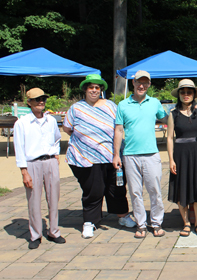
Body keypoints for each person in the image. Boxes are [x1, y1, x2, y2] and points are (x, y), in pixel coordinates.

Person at [63, 74, 136, 239]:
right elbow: (67, 128)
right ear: (85, 89)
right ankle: (90, 222)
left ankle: (122, 216)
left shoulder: (111, 106)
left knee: (117, 187)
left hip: (111, 155)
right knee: (93, 190)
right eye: (91, 87)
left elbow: (119, 127)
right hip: (86, 157)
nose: (94, 90)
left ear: (101, 90)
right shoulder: (76, 108)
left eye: (97, 87)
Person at [113, 70, 166, 239]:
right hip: (130, 155)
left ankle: (156, 223)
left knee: (155, 191)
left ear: (149, 85)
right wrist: (116, 155)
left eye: (145, 83)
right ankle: (141, 224)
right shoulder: (123, 105)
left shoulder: (155, 103)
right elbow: (119, 130)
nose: (141, 85)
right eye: (138, 82)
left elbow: (168, 119)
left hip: (151, 154)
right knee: (135, 192)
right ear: (133, 83)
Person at [14, 88, 65, 249]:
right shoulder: (22, 123)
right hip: (32, 163)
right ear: (29, 102)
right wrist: (24, 171)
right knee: (34, 199)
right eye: (37, 99)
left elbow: (57, 138)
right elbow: (19, 147)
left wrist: (55, 154)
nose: (41, 102)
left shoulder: (50, 120)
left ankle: (54, 231)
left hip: (49, 161)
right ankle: (35, 234)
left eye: (43, 98)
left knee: (53, 197)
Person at [167, 79, 197, 237]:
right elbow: (170, 138)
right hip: (180, 156)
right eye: (182, 92)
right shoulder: (173, 114)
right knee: (181, 188)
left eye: (189, 92)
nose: (186, 94)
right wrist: (171, 159)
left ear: (193, 94)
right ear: (179, 94)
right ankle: (186, 223)